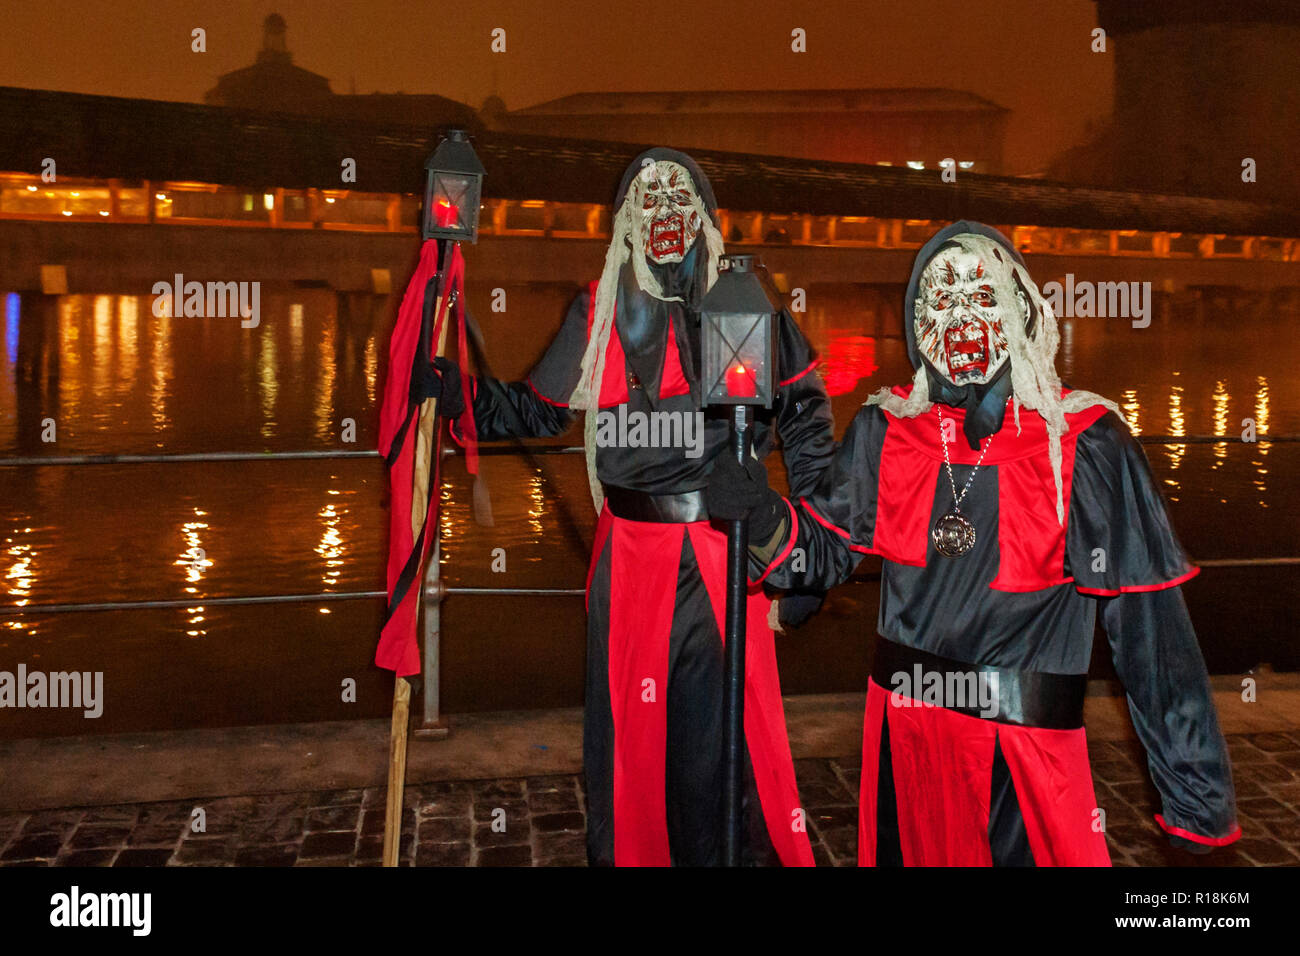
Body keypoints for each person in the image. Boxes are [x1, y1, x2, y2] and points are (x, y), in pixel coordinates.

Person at [707, 221, 1241, 866]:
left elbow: (1155, 643)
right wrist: (762, 512)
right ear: (917, 325)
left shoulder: (1085, 441)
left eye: (980, 294)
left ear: (1021, 308)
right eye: (939, 297)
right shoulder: (888, 427)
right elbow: (821, 551)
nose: (959, 312)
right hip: (903, 737)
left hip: (1024, 752)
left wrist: (1197, 813)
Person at [435, 148, 835, 866]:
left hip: (719, 558)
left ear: (706, 217)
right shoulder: (600, 311)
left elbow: (805, 418)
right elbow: (537, 408)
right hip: (629, 566)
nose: (666, 216)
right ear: (627, 220)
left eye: (681, 201)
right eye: (648, 202)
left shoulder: (743, 303)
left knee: (718, 757)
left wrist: (804, 556)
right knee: (631, 754)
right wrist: (449, 394)